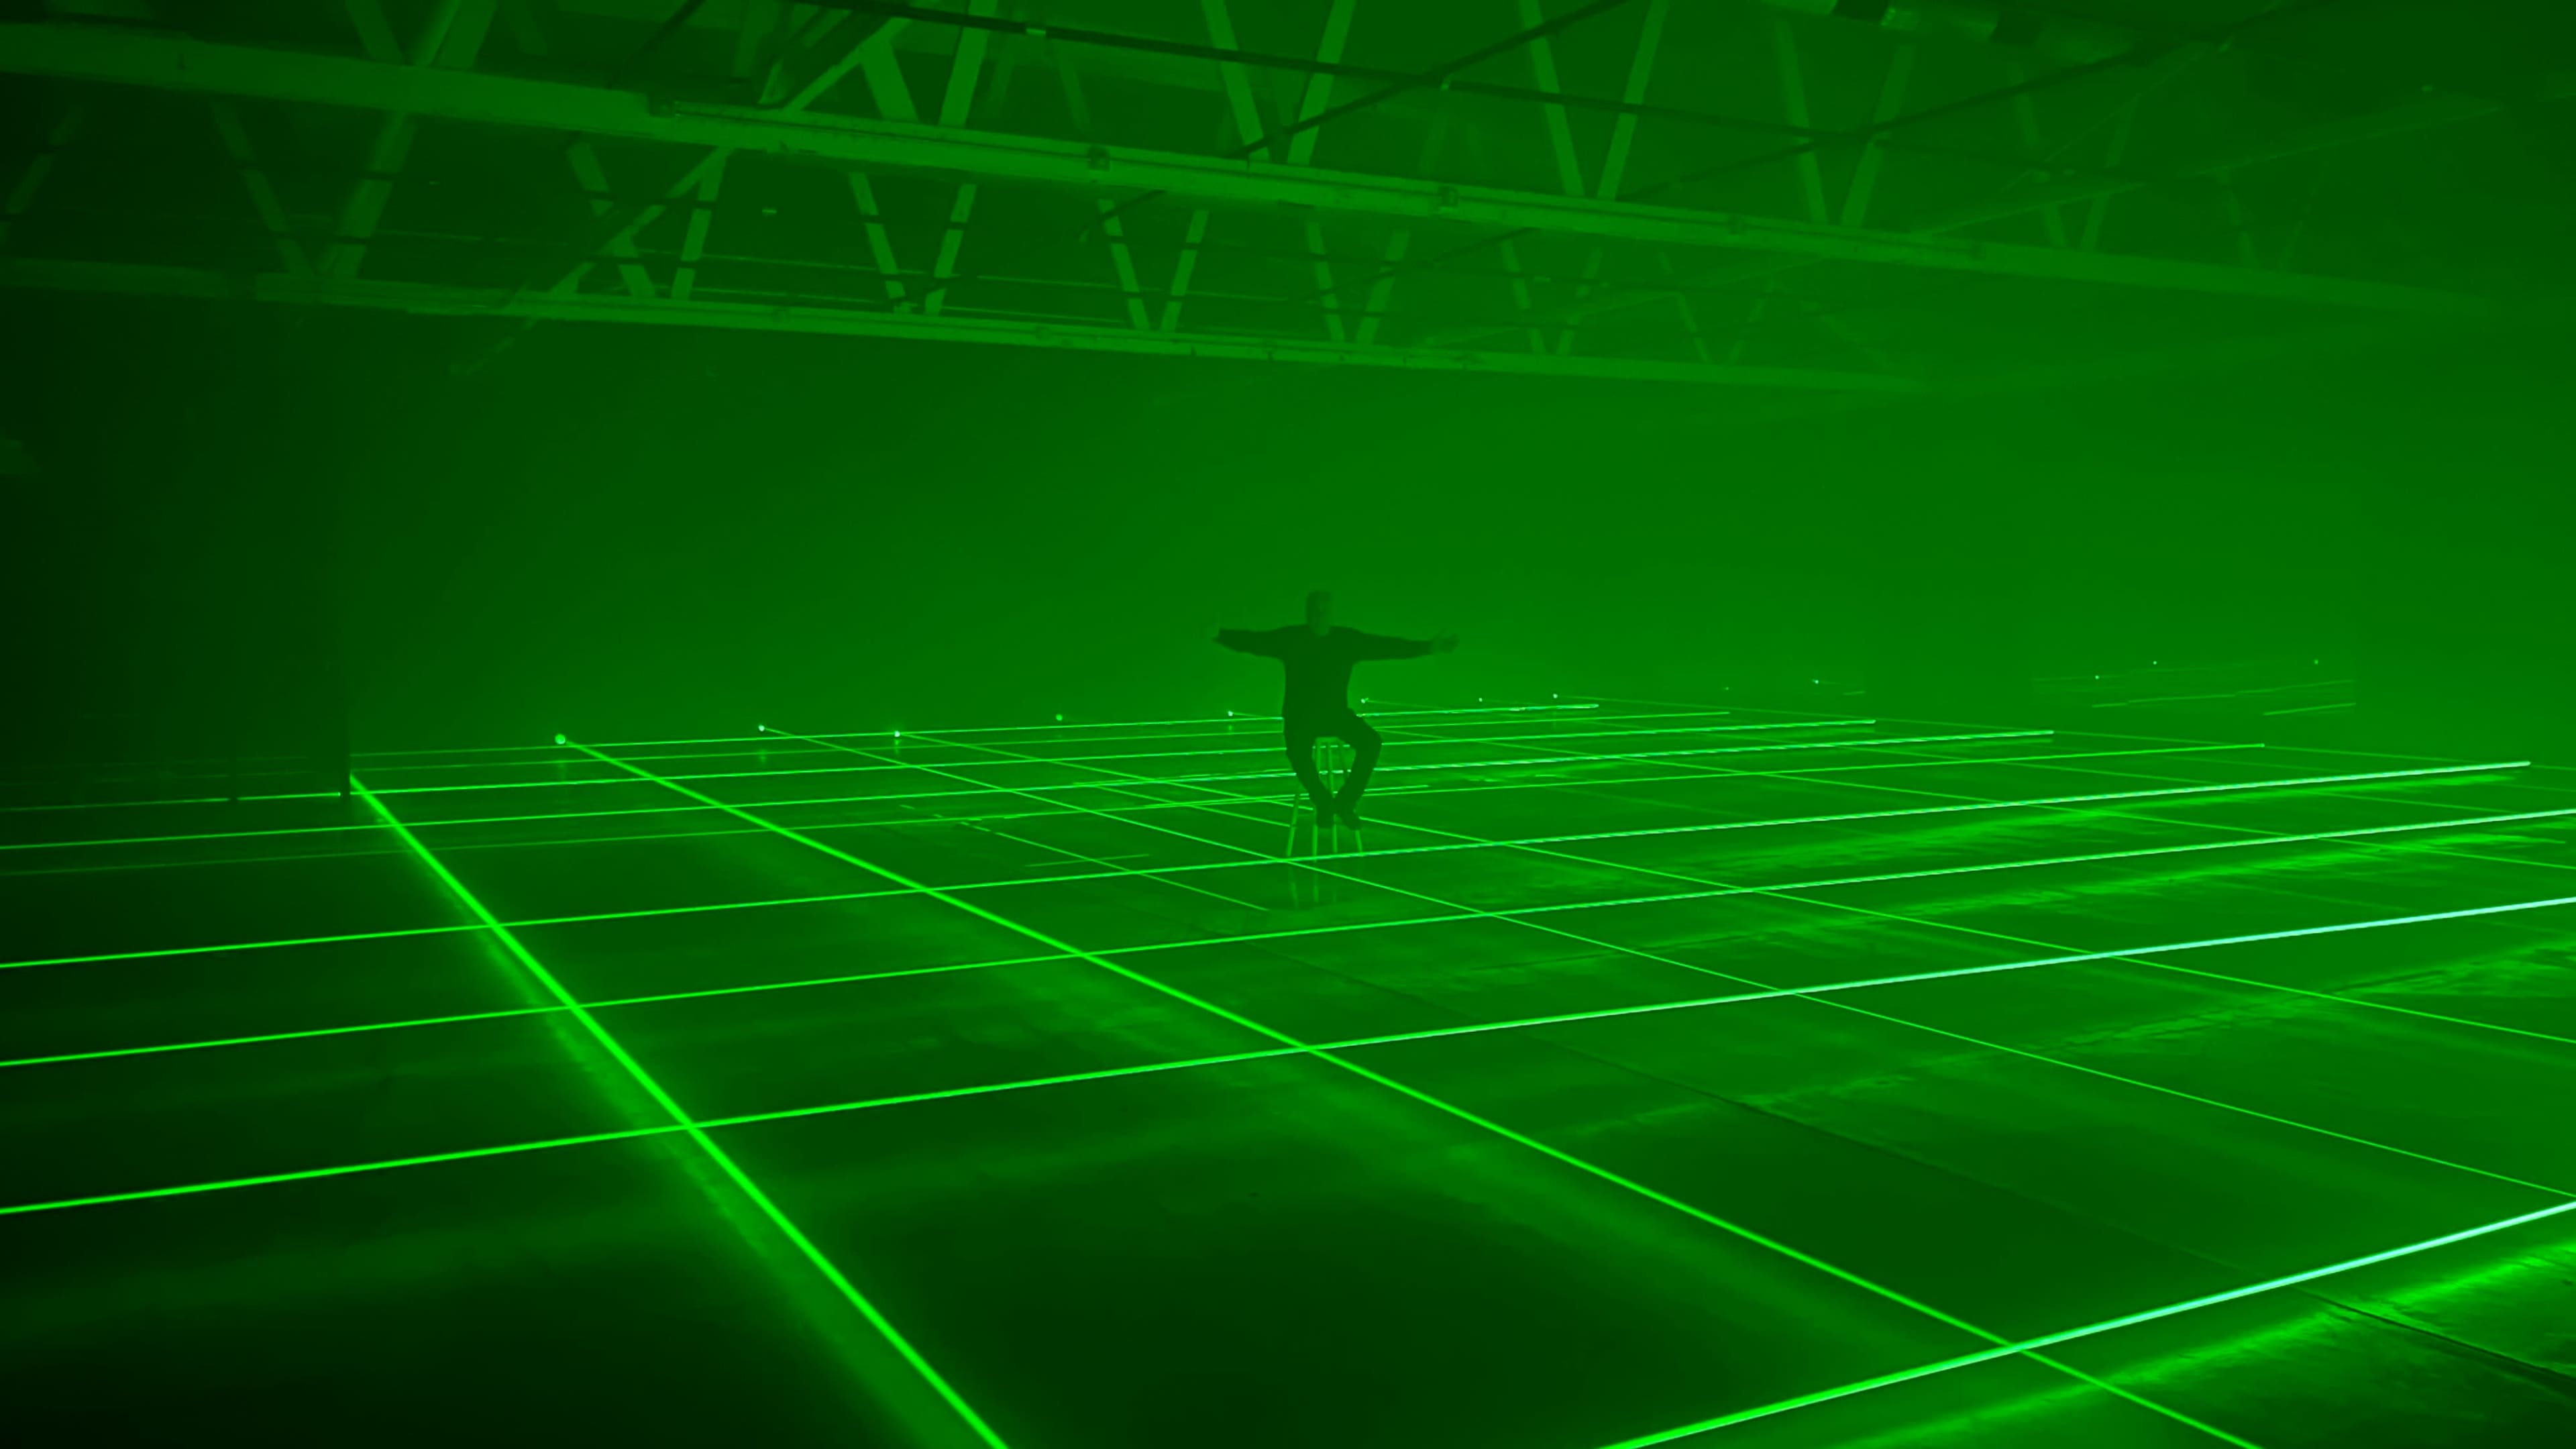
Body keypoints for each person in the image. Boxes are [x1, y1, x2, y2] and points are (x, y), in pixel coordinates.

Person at [1215, 591, 1458, 832]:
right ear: (1308, 613)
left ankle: (1344, 803)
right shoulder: (1294, 638)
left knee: (1371, 743)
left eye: (1323, 612)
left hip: (1335, 714)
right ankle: (1324, 802)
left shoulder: (1344, 640)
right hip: (1301, 717)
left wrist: (1428, 647)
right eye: (1315, 612)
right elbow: (1255, 642)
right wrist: (1220, 635)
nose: (1319, 617)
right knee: (1297, 752)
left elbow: (1386, 647)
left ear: (1331, 614)